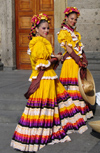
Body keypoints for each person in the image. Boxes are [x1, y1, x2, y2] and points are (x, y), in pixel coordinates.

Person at [10, 13, 88, 153]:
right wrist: (56, 58)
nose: (46, 31)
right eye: (44, 28)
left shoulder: (41, 42)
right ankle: (39, 134)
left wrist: (54, 58)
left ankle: (48, 129)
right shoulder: (38, 43)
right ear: (37, 29)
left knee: (51, 106)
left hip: (49, 78)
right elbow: (41, 64)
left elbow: (46, 61)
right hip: (44, 80)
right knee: (43, 107)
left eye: (47, 28)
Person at [57, 7, 93, 122]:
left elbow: (79, 48)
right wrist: (78, 60)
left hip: (76, 62)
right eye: (71, 19)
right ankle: (71, 115)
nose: (73, 21)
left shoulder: (75, 33)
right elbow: (69, 49)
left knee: (78, 87)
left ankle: (79, 113)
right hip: (70, 63)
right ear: (66, 18)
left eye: (75, 19)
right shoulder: (63, 32)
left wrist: (84, 59)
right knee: (72, 87)